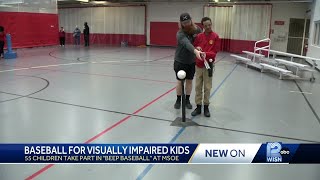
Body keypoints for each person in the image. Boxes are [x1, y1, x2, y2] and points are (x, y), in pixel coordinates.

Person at [173, 13, 204, 109]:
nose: (186, 24)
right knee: (179, 81)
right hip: (180, 61)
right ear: (181, 23)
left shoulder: (197, 29)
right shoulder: (180, 33)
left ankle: (187, 100)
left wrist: (199, 47)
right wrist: (195, 51)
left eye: (188, 21)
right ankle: (178, 100)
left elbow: (200, 41)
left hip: (191, 61)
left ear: (191, 20)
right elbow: (187, 44)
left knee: (189, 81)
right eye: (184, 23)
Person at [191, 17, 220, 117]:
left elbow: (214, 52)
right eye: (206, 25)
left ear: (211, 24)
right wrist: (197, 48)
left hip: (209, 65)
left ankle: (206, 107)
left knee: (207, 87)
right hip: (199, 65)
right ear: (203, 26)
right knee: (198, 86)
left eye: (209, 25)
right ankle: (198, 107)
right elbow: (194, 47)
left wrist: (205, 54)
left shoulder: (215, 36)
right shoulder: (199, 36)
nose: (208, 27)